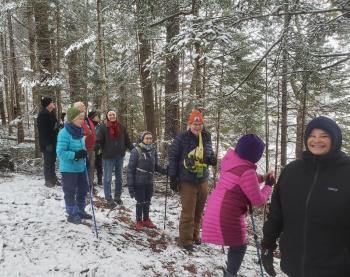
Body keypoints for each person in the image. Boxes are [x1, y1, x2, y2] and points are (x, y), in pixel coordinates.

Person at [261, 116, 350, 277]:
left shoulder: (346, 172)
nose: (317, 140)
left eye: (324, 136)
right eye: (312, 135)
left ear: (335, 139)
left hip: (336, 268)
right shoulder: (292, 171)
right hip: (294, 265)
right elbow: (276, 213)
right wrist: (267, 245)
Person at [201, 134, 274, 277]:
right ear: (255, 155)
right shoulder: (247, 172)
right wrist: (269, 186)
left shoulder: (231, 161)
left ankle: (230, 271)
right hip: (226, 213)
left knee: (237, 244)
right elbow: (258, 201)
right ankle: (230, 274)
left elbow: (243, 179)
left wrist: (263, 178)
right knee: (240, 245)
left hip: (216, 206)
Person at [168, 109, 217, 251]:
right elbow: (173, 157)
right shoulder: (181, 137)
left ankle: (195, 235)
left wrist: (212, 159)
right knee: (188, 211)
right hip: (187, 179)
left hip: (202, 179)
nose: (197, 127)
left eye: (200, 124)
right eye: (195, 124)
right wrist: (173, 177)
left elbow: (208, 153)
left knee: (199, 211)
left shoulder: (206, 137)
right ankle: (185, 240)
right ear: (189, 124)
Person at [56, 106, 92, 224]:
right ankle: (71, 214)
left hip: (81, 167)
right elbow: (60, 152)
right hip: (68, 169)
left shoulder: (80, 131)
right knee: (70, 191)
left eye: (83, 118)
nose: (82, 121)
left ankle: (80, 210)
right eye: (80, 119)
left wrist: (84, 154)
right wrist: (76, 155)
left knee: (82, 189)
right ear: (72, 119)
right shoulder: (64, 133)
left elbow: (82, 147)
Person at [127, 131, 167, 231]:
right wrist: (131, 185)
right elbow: (130, 169)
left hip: (149, 181)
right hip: (139, 181)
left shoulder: (153, 150)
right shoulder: (136, 151)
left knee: (147, 200)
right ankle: (138, 221)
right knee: (140, 201)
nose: (149, 140)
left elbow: (156, 166)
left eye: (150, 138)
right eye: (147, 138)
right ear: (142, 139)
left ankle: (146, 219)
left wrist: (165, 171)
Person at [95, 110, 133, 207]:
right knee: (107, 178)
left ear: (116, 116)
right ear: (107, 116)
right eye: (110, 115)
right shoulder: (103, 128)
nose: (112, 116)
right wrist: (97, 146)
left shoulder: (121, 127)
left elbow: (127, 140)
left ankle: (117, 197)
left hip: (119, 156)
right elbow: (98, 140)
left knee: (119, 178)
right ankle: (108, 198)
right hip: (108, 156)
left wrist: (134, 149)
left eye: (113, 114)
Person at [37, 96, 59, 187]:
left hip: (53, 141)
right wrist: (47, 144)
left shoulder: (51, 113)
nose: (53, 103)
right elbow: (43, 131)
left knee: (53, 160)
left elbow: (53, 127)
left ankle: (53, 178)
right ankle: (48, 180)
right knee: (48, 161)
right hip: (47, 143)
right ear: (48, 104)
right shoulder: (42, 115)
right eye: (52, 102)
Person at [73, 102, 96, 188]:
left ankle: (90, 185)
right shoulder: (75, 118)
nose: (85, 107)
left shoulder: (87, 118)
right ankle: (82, 187)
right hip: (81, 147)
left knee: (91, 167)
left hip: (91, 146)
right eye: (82, 106)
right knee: (82, 167)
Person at [88, 111, 103, 188]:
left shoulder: (101, 126)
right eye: (96, 116)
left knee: (99, 164)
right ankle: (91, 180)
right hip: (91, 147)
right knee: (91, 164)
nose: (98, 118)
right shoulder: (89, 125)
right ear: (92, 117)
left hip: (99, 147)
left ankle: (100, 179)